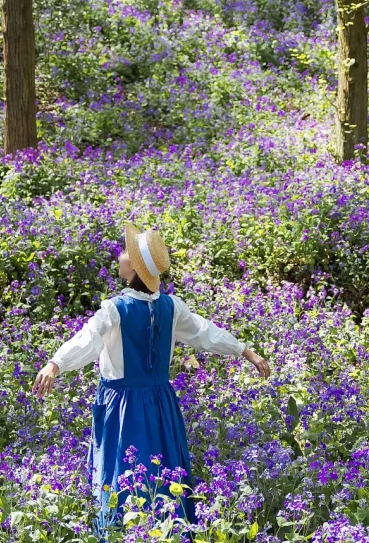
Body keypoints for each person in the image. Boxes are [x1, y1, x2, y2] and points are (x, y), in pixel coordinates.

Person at [34, 222, 271, 526]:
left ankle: (122, 538)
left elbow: (88, 339)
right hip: (160, 404)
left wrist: (56, 363)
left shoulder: (115, 309)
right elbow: (205, 333)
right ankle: (167, 532)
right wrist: (244, 351)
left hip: (121, 407)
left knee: (123, 468)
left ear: (133, 265)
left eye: (125, 252)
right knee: (161, 469)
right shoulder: (171, 307)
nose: (119, 255)